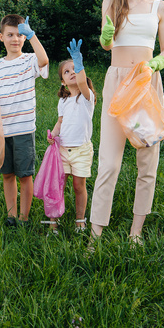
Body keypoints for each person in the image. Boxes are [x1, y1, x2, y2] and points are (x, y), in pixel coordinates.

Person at [89, 0, 164, 244]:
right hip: (117, 83)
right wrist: (106, 36)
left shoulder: (159, 6)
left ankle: (135, 233)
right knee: (108, 163)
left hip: (147, 83)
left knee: (147, 161)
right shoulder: (110, 3)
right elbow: (106, 46)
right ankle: (95, 235)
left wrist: (156, 64)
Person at [0, 14, 49, 227]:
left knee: (25, 175)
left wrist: (33, 36)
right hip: (2, 132)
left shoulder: (29, 60)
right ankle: (11, 216)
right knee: (8, 175)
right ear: (1, 37)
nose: (15, 39)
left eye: (20, 35)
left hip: (23, 130)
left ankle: (24, 217)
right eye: (10, 35)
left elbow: (44, 60)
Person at [49, 38, 96, 234]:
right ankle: (53, 220)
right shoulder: (64, 101)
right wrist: (53, 134)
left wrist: (79, 62)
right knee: (58, 186)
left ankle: (80, 220)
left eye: (74, 69)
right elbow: (60, 122)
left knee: (79, 186)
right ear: (62, 81)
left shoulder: (86, 98)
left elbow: (82, 81)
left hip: (81, 151)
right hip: (62, 150)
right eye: (67, 71)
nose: (72, 72)